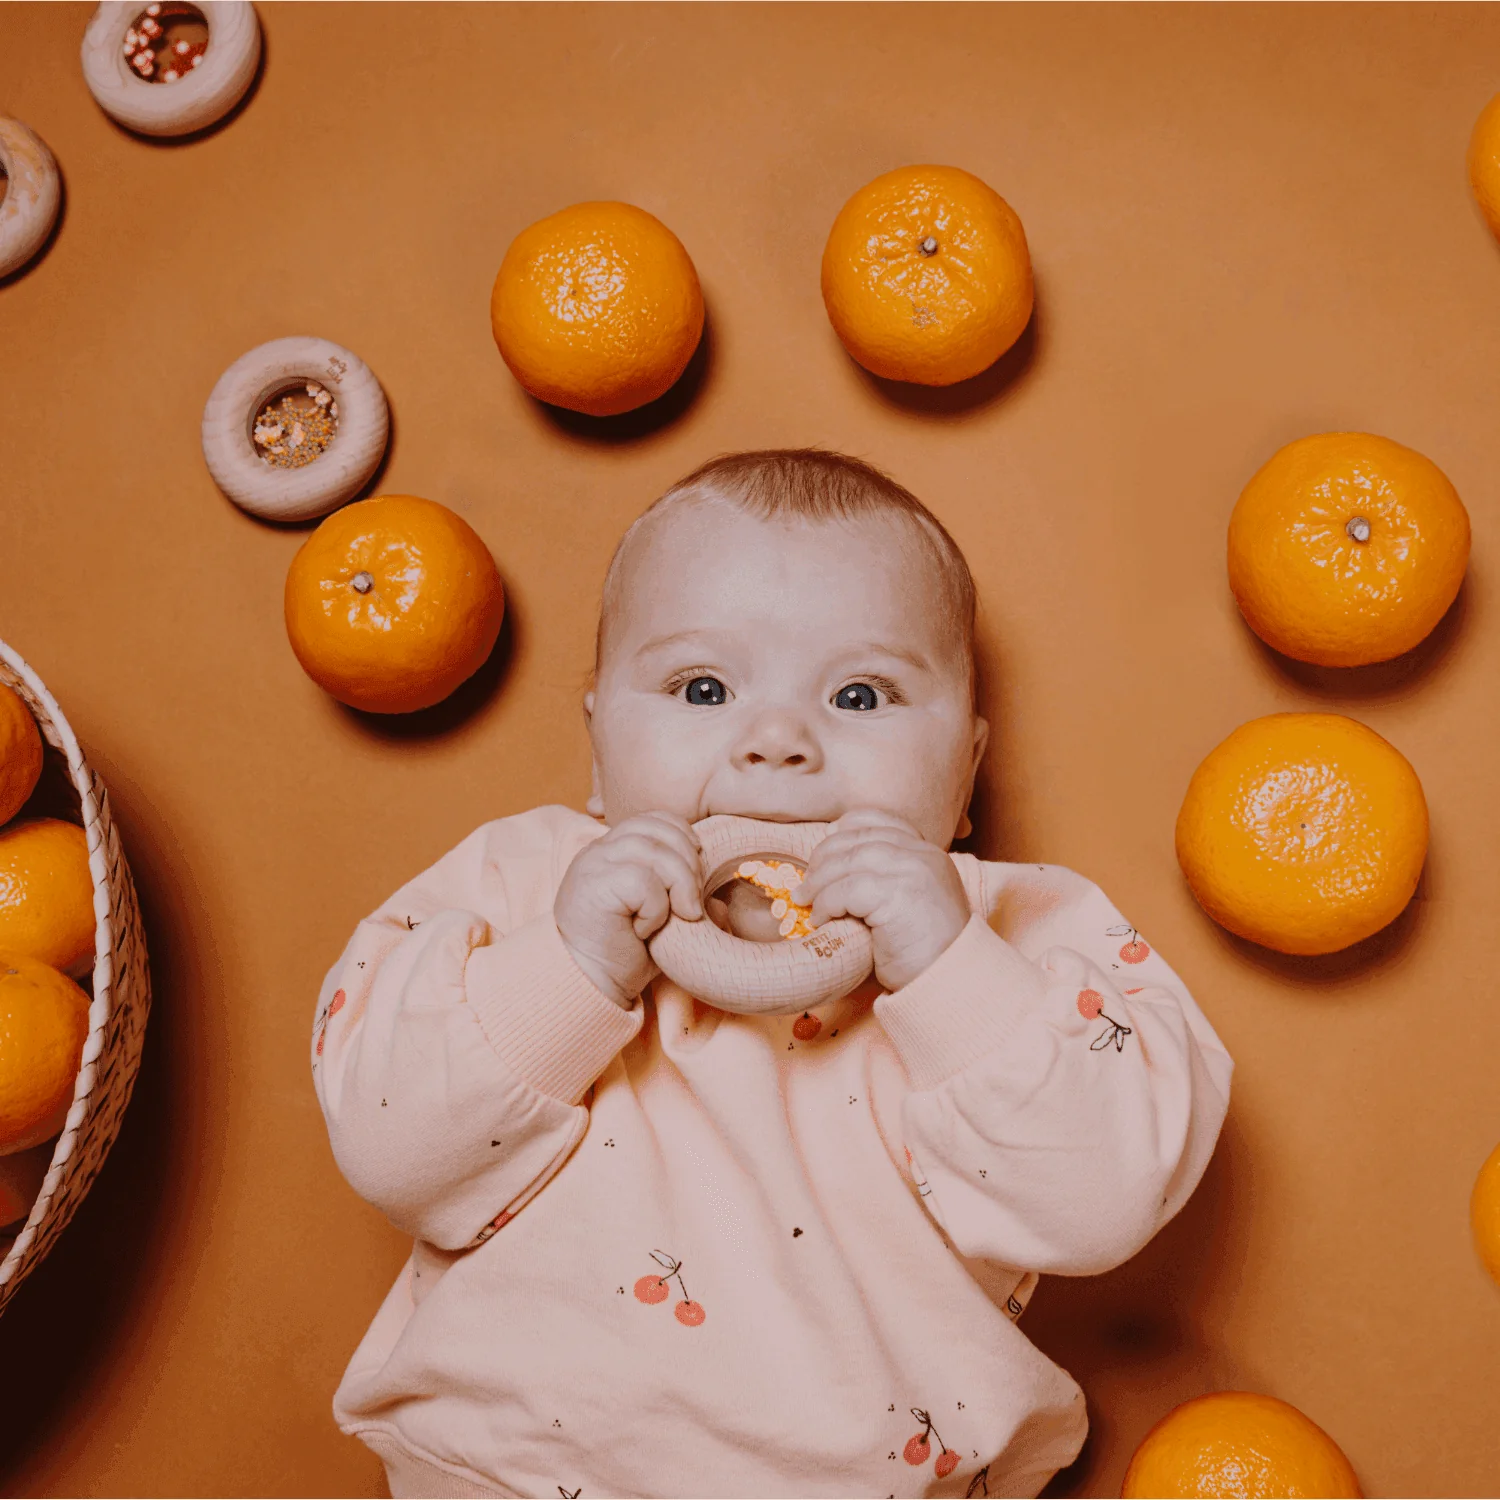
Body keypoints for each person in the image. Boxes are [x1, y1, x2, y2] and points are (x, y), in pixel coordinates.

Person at [311, 448, 1232, 1499]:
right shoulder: (523, 885)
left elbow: (1097, 1202)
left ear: (966, 772)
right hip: (509, 1470)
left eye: (861, 692)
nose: (778, 741)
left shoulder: (1014, 933)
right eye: (702, 687)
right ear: (600, 750)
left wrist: (947, 969)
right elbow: (390, 1148)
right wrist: (566, 973)